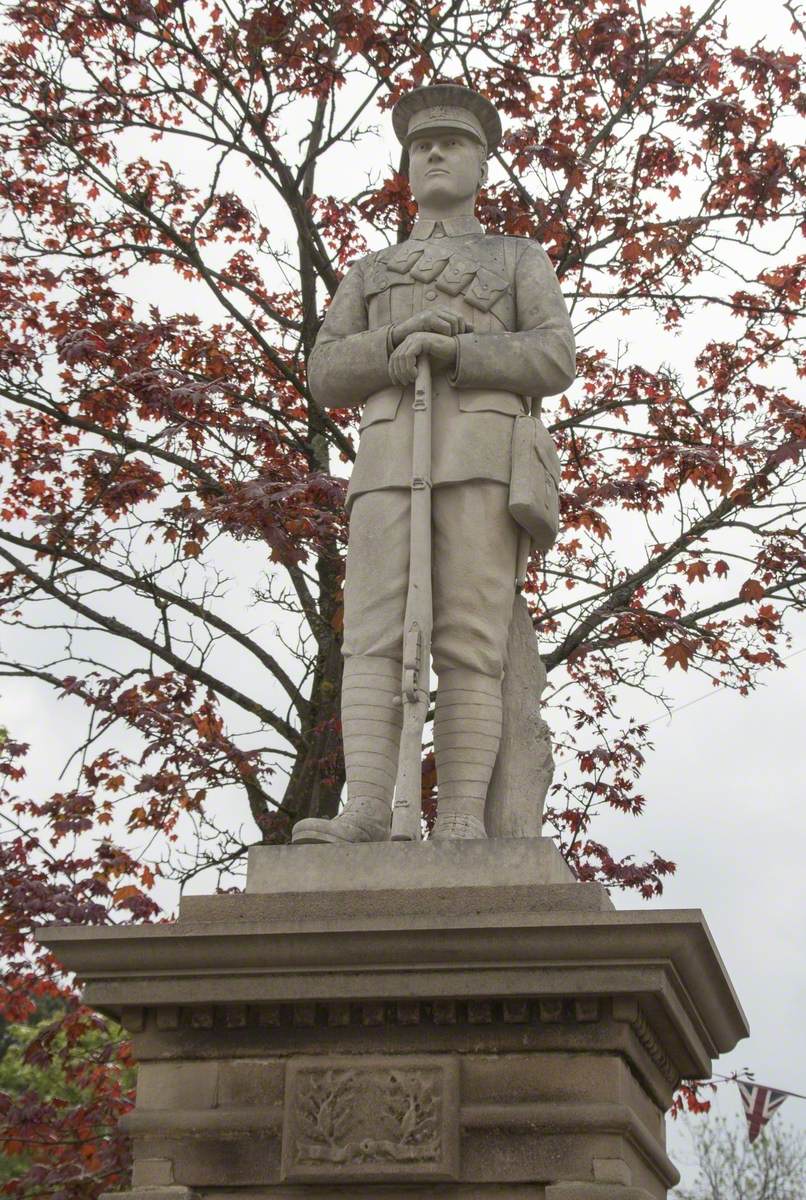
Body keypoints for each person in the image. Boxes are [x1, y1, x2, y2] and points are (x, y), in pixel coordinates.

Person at [291, 84, 575, 844]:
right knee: (373, 637)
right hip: (386, 463)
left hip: (481, 459)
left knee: (467, 640)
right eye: (422, 145)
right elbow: (323, 374)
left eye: (453, 143)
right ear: (407, 167)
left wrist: (463, 350)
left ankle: (458, 820)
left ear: (484, 165)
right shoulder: (370, 270)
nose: (436, 153)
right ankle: (365, 811)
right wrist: (394, 344)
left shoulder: (517, 259)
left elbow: (553, 355)